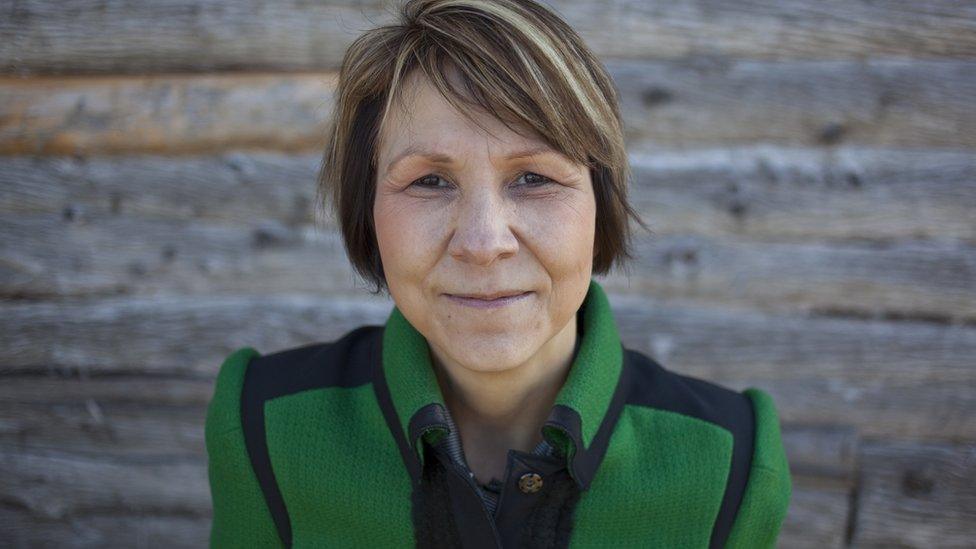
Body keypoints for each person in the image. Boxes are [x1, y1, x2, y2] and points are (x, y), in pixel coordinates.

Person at [204, 0, 792, 547]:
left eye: (533, 178)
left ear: (599, 205)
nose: (484, 244)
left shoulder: (730, 461)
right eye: (429, 181)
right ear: (366, 211)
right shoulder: (266, 426)